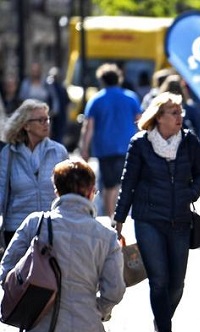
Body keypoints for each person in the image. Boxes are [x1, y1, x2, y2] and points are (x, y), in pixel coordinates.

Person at [0, 159, 126, 332]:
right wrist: (98, 310)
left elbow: (7, 268)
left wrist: (27, 301)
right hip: (88, 331)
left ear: (56, 190)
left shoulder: (36, 223)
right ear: (92, 191)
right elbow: (115, 289)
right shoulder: (105, 235)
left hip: (40, 329)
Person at [114, 92, 200, 332]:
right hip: (148, 219)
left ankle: (160, 322)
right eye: (175, 113)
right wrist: (118, 220)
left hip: (180, 219)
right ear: (159, 117)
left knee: (177, 284)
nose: (181, 117)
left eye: (180, 112)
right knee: (158, 280)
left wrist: (189, 194)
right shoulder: (140, 144)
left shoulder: (189, 141)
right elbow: (128, 183)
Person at [0, 99, 69, 244]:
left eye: (47, 119)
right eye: (40, 120)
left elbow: (68, 192)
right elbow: (1, 191)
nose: (46, 123)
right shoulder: (9, 153)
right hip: (17, 230)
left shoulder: (58, 152)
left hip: (51, 228)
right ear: (26, 125)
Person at [79, 63, 142, 220]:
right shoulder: (131, 97)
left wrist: (84, 148)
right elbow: (140, 122)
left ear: (102, 80)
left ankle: (110, 217)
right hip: (128, 145)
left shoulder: (96, 100)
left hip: (105, 147)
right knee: (123, 182)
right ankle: (119, 216)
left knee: (109, 184)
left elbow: (89, 127)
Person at [46, 66, 70, 146]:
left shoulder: (62, 88)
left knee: (58, 137)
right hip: (51, 116)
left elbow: (67, 102)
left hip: (60, 117)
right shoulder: (48, 88)